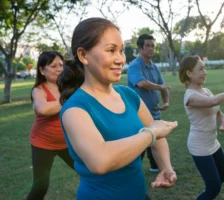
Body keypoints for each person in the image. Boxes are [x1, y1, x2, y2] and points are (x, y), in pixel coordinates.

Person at [57, 17, 178, 200]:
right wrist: (150, 134)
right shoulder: (74, 109)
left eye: (121, 51)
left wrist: (166, 167)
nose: (120, 59)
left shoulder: (128, 95)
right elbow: (100, 161)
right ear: (83, 55)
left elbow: (158, 139)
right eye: (111, 50)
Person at [178, 56, 224, 200]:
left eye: (204, 68)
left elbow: (218, 111)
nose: (205, 72)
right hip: (199, 146)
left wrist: (222, 122)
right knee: (214, 187)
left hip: (212, 142)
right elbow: (213, 102)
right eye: (200, 69)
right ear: (189, 73)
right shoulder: (190, 96)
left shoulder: (206, 91)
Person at [27, 51, 74, 200]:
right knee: (40, 186)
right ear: (42, 70)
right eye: (53, 66)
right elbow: (43, 109)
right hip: (43, 144)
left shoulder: (69, 87)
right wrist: (70, 100)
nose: (59, 69)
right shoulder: (39, 90)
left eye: (61, 65)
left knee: (89, 171)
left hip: (67, 142)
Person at [127, 34, 171, 172]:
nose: (151, 49)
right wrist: (160, 87)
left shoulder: (154, 67)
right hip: (138, 113)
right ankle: (133, 170)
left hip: (154, 111)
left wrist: (166, 102)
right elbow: (142, 83)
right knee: (140, 142)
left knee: (157, 139)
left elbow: (162, 85)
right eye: (148, 46)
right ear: (140, 48)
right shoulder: (135, 66)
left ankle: (155, 166)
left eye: (153, 46)